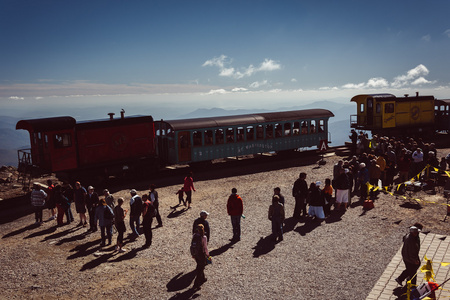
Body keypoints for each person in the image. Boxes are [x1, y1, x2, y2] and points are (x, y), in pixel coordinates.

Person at [192, 224, 210, 290]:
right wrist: (208, 255)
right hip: (201, 254)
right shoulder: (204, 237)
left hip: (196, 254)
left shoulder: (194, 235)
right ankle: (196, 284)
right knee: (201, 268)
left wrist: (193, 254)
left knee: (200, 265)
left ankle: (203, 278)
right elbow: (205, 247)